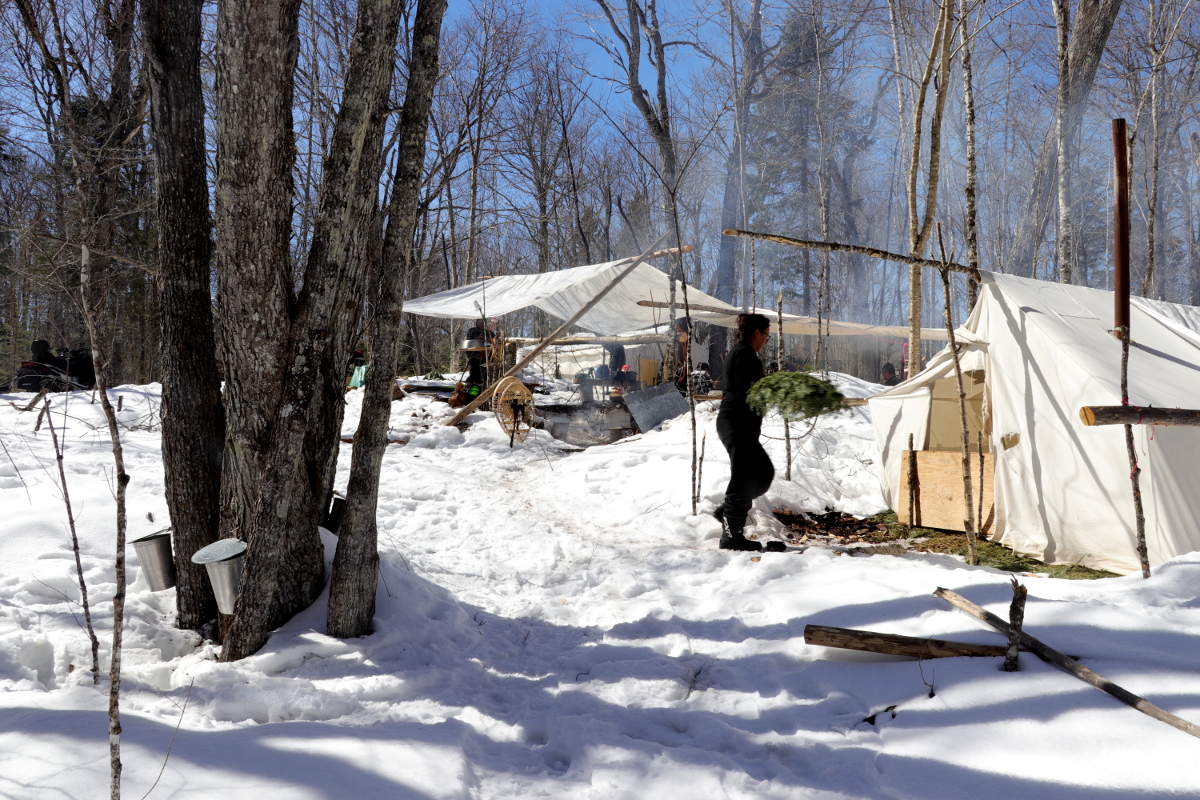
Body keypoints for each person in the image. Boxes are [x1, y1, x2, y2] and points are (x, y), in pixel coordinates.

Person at [714, 314, 782, 552]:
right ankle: (731, 535)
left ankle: (728, 512)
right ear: (757, 333)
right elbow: (750, 389)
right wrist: (776, 387)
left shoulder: (745, 353)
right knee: (743, 479)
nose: (766, 340)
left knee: (763, 474)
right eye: (766, 334)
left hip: (742, 425)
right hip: (736, 423)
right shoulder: (744, 354)